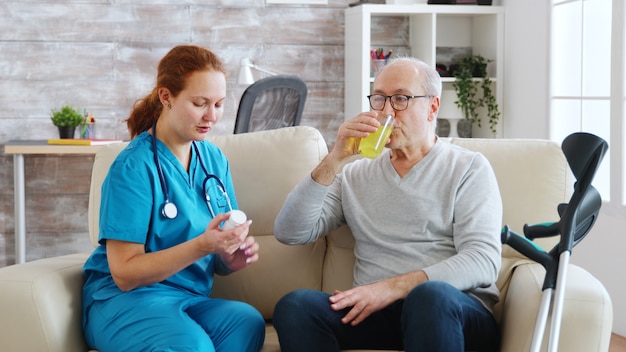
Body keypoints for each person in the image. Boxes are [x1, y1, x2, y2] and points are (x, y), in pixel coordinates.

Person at [272, 57, 503, 352]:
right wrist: (335, 158)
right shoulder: (355, 174)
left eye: (401, 99)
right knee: (296, 306)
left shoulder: (468, 168)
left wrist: (391, 288)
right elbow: (289, 231)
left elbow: (483, 260)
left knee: (428, 296)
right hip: (378, 315)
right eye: (379, 99)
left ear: (433, 106)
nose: (386, 111)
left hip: (453, 310)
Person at [81, 45, 265, 352]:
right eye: (200, 103)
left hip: (186, 298)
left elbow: (214, 254)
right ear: (166, 97)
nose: (212, 116)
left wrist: (229, 258)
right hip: (124, 301)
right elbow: (125, 274)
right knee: (191, 345)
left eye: (219, 104)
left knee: (246, 321)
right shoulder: (134, 167)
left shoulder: (213, 160)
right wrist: (204, 244)